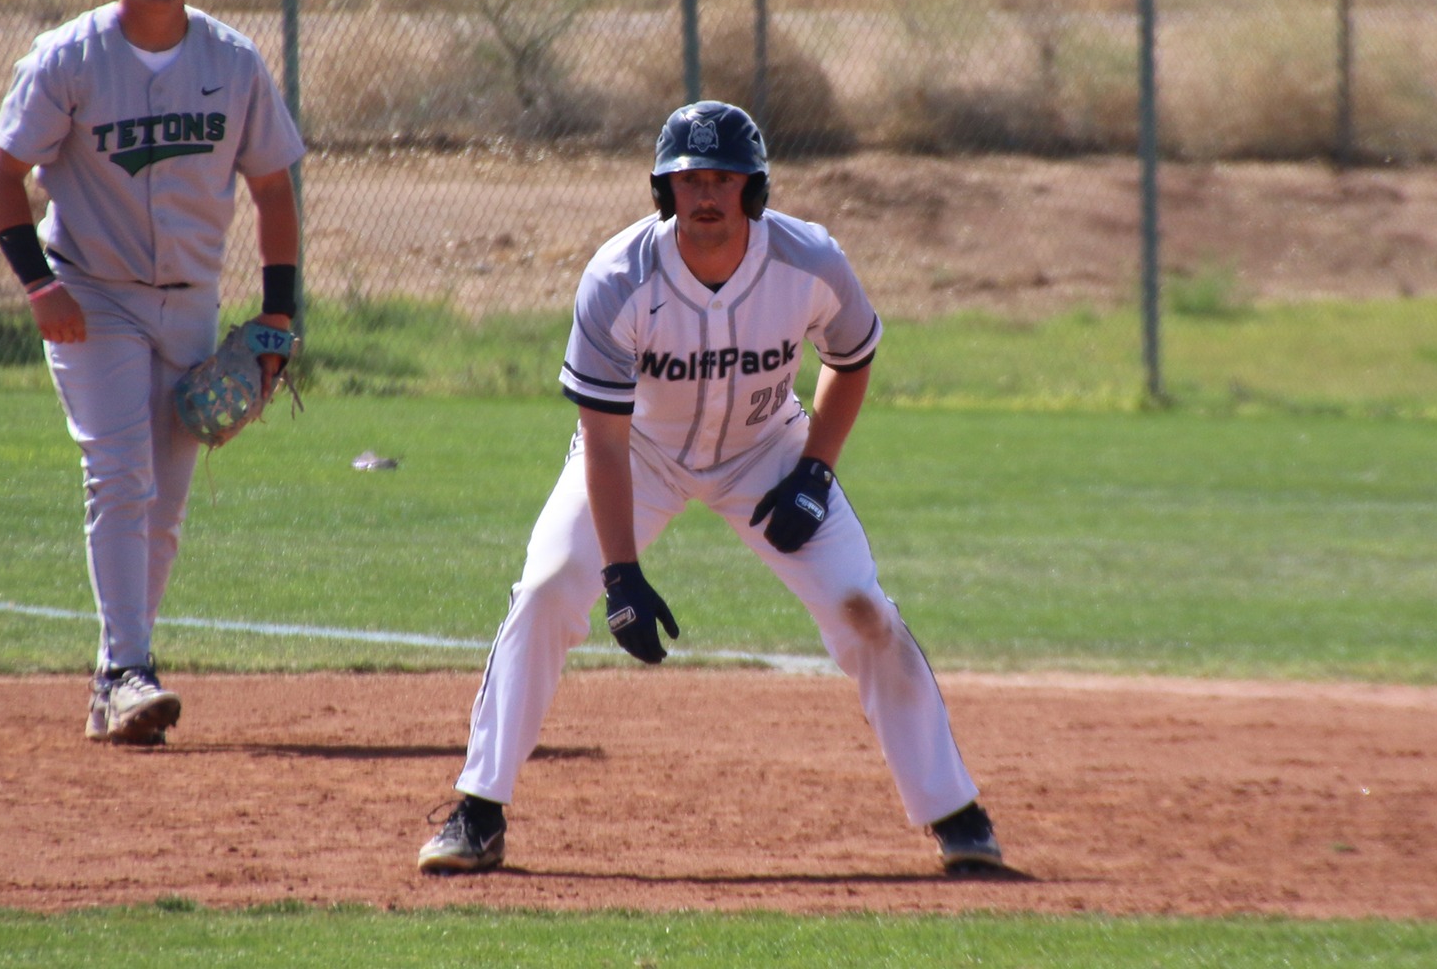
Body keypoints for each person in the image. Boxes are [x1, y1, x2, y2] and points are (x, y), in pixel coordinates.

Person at [418, 101, 1002, 875]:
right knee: (551, 585)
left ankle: (955, 813)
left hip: (768, 448)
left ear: (753, 190)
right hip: (642, 452)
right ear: (664, 191)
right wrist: (620, 574)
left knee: (862, 609)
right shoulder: (619, 276)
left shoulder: (809, 261)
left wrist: (814, 473)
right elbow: (602, 436)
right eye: (689, 178)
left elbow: (851, 360)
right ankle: (478, 811)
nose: (706, 195)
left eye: (724, 178)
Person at [0, 0, 306, 746]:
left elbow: (273, 188)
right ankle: (128, 670)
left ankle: (114, 675)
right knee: (120, 475)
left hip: (191, 303)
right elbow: (1, 176)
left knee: (164, 505)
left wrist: (278, 315)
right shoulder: (70, 58)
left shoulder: (233, 64)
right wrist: (38, 285)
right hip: (94, 295)